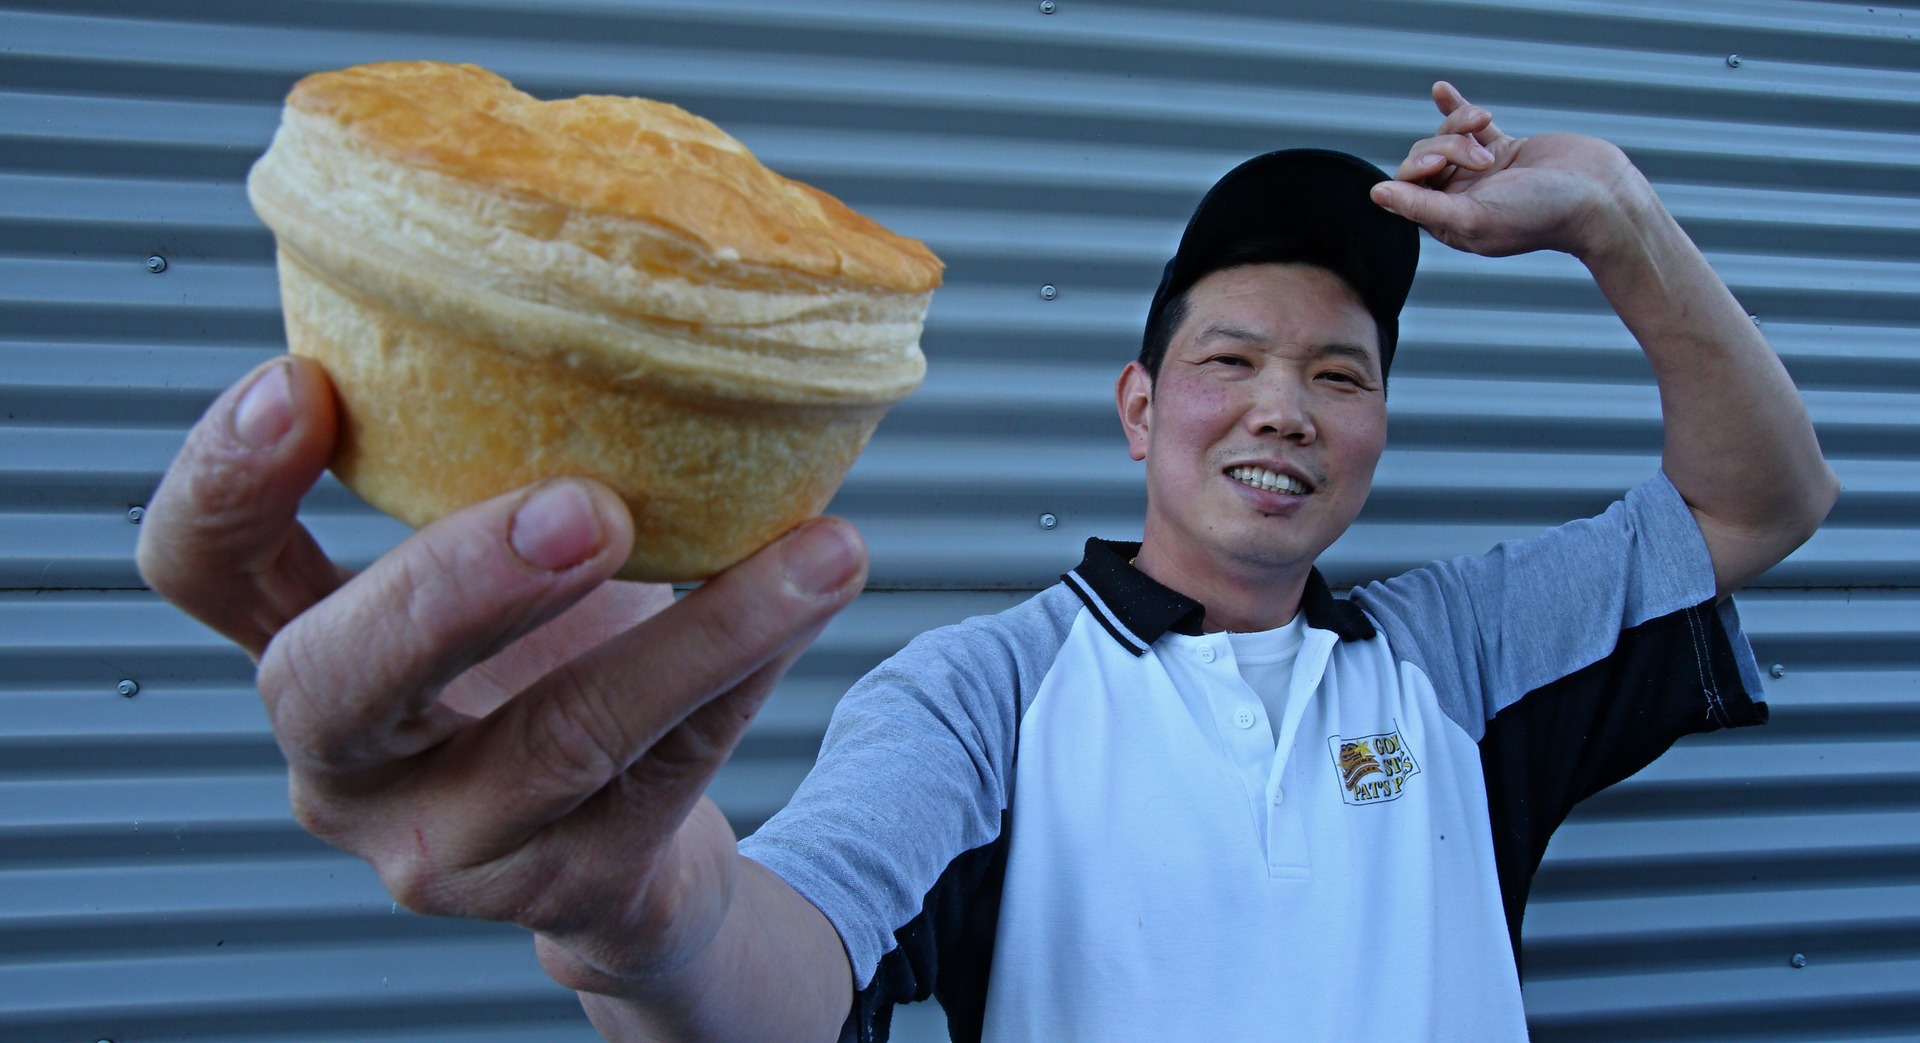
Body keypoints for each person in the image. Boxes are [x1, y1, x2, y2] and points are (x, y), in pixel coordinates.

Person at [137, 82, 1836, 1041]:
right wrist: (641, 918)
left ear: (1380, 431)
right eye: (1232, 361)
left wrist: (1617, 215)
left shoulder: (1455, 653)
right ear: (1138, 406)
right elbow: (781, 963)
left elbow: (1765, 501)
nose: (1285, 411)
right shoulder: (987, 687)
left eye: (1342, 377)